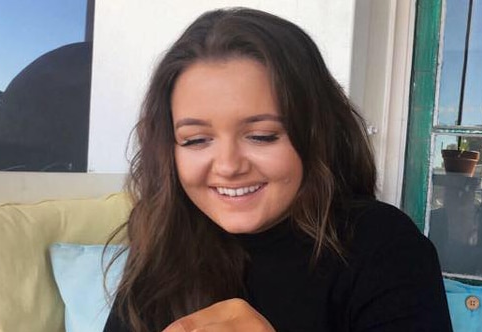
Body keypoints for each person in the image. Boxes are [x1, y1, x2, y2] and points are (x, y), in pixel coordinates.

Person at [103, 7, 452, 332]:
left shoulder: (383, 246)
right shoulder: (163, 240)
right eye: (195, 140)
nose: (228, 166)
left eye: (261, 136)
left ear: (316, 134)